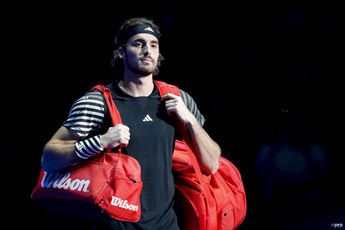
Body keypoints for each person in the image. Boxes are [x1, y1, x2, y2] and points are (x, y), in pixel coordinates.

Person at [40, 16, 221, 230]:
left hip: (168, 225)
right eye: (138, 43)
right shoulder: (98, 102)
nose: (148, 50)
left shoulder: (177, 99)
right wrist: (99, 142)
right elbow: (49, 158)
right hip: (115, 224)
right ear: (121, 52)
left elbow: (212, 163)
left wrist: (190, 119)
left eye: (153, 45)